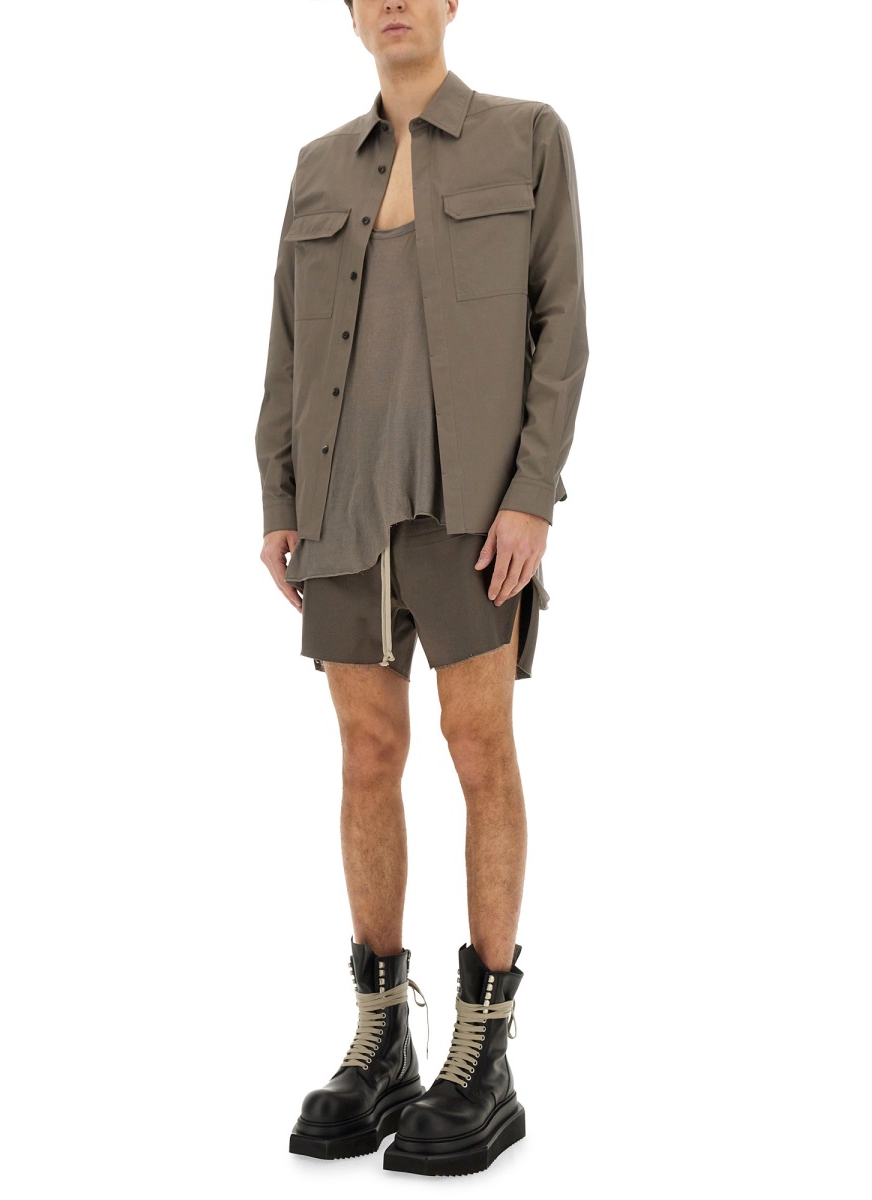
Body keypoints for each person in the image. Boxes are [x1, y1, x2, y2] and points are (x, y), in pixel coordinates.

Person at [255, 0, 588, 1176]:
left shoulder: (526, 136)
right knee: (366, 755)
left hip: (472, 511)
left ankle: (483, 1051)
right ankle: (383, 1037)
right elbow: (287, 348)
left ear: (452, 4)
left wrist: (532, 494)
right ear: (350, 13)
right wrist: (278, 495)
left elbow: (562, 328)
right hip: (342, 508)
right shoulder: (317, 169)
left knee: (480, 746)